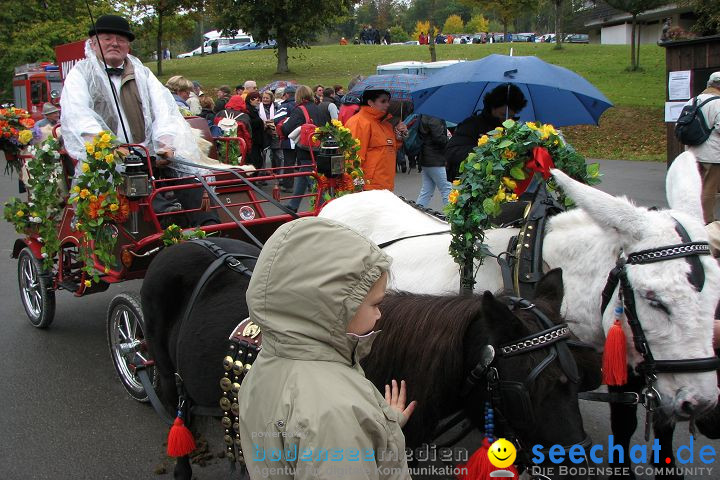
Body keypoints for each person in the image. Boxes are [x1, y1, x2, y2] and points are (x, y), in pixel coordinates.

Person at [237, 216, 415, 480]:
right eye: (376, 304)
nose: (380, 315)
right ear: (333, 307)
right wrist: (352, 424)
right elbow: (329, 433)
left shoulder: (271, 361)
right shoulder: (334, 412)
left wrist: (378, 425)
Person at [60, 14, 212, 220]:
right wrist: (107, 146)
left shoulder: (142, 73)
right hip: (106, 156)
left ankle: (207, 224)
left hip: (146, 150)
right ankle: (162, 218)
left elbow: (164, 109)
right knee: (130, 172)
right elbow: (78, 114)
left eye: (121, 39)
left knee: (189, 171)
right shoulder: (81, 73)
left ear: (128, 46)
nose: (115, 43)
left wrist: (165, 143)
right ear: (94, 43)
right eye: (107, 38)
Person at [445, 83, 527, 181]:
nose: (506, 120)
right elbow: (451, 152)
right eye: (503, 114)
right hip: (473, 184)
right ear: (492, 107)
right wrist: (486, 150)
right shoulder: (472, 124)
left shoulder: (515, 129)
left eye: (511, 116)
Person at [280, 85, 331, 212]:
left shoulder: (299, 110)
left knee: (312, 179)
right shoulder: (318, 108)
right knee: (304, 175)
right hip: (319, 146)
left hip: (306, 148)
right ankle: (293, 204)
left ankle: (324, 206)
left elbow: (287, 129)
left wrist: (282, 126)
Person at [346, 89, 407, 191]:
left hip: (385, 185)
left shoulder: (385, 124)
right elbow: (353, 158)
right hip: (368, 187)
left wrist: (399, 136)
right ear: (370, 102)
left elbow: (389, 150)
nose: (387, 105)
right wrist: (356, 187)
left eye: (388, 101)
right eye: (383, 101)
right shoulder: (359, 122)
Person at [688, 72, 720, 224]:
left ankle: (690, 217)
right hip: (712, 155)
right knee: (709, 189)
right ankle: (705, 221)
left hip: (692, 152)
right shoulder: (718, 102)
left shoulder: (693, 100)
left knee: (695, 186)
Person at [416, 115, 451, 206]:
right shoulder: (434, 117)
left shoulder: (424, 116)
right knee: (447, 189)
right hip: (436, 159)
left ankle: (417, 214)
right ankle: (451, 218)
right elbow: (439, 138)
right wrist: (449, 140)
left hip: (426, 158)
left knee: (426, 191)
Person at [274, 85, 297, 192]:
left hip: (289, 138)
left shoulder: (286, 106)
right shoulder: (301, 105)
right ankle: (310, 184)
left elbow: (277, 119)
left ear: (286, 95)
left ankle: (288, 185)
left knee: (289, 162)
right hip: (303, 138)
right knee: (305, 162)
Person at [259, 90, 282, 170]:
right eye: (263, 98)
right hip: (263, 132)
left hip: (274, 132)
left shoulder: (277, 106)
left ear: (271, 99)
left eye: (267, 98)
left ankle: (277, 172)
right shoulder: (258, 107)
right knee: (263, 154)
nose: (265, 99)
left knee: (278, 154)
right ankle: (263, 174)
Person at [245, 91, 265, 170]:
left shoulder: (253, 110)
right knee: (255, 161)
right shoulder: (248, 111)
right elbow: (251, 123)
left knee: (257, 160)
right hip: (253, 140)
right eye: (257, 100)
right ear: (251, 100)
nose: (259, 102)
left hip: (255, 140)